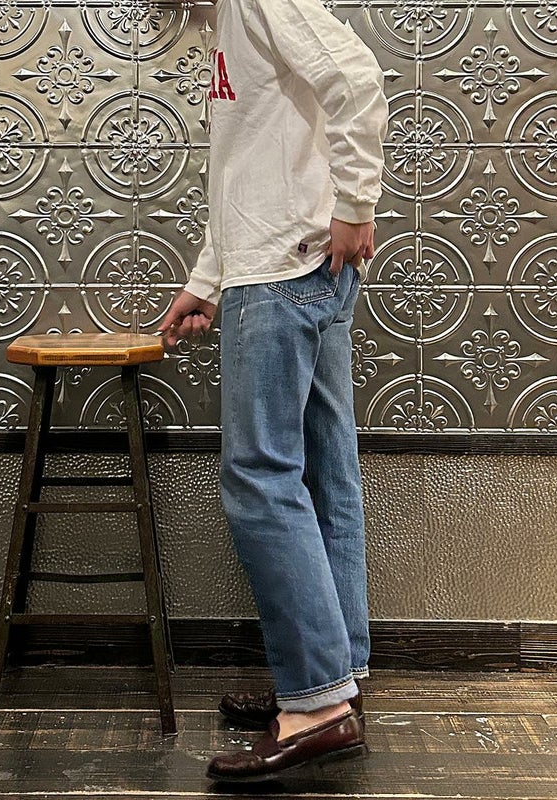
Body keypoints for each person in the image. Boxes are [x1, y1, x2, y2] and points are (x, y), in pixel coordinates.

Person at [157, 0, 389, 782]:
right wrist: (207, 280)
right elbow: (248, 169)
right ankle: (334, 678)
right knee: (325, 476)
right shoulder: (226, 15)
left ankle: (317, 706)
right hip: (285, 266)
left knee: (260, 478)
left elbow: (356, 79)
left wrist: (356, 205)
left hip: (285, 274)